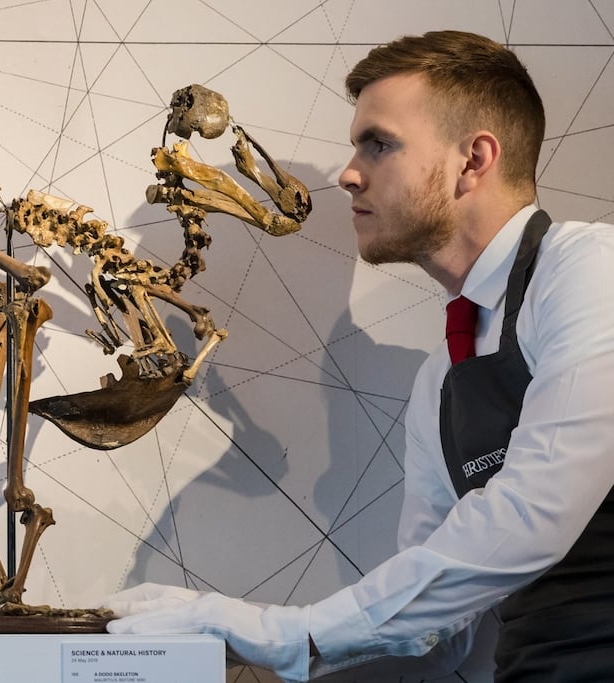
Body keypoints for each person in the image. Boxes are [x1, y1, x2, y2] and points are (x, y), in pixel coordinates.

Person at [103, 30, 614, 682]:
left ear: (474, 160)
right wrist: (230, 655)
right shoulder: (440, 382)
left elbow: (534, 511)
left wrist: (280, 633)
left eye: (379, 144)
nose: (349, 172)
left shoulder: (591, 272)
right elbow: (434, 629)